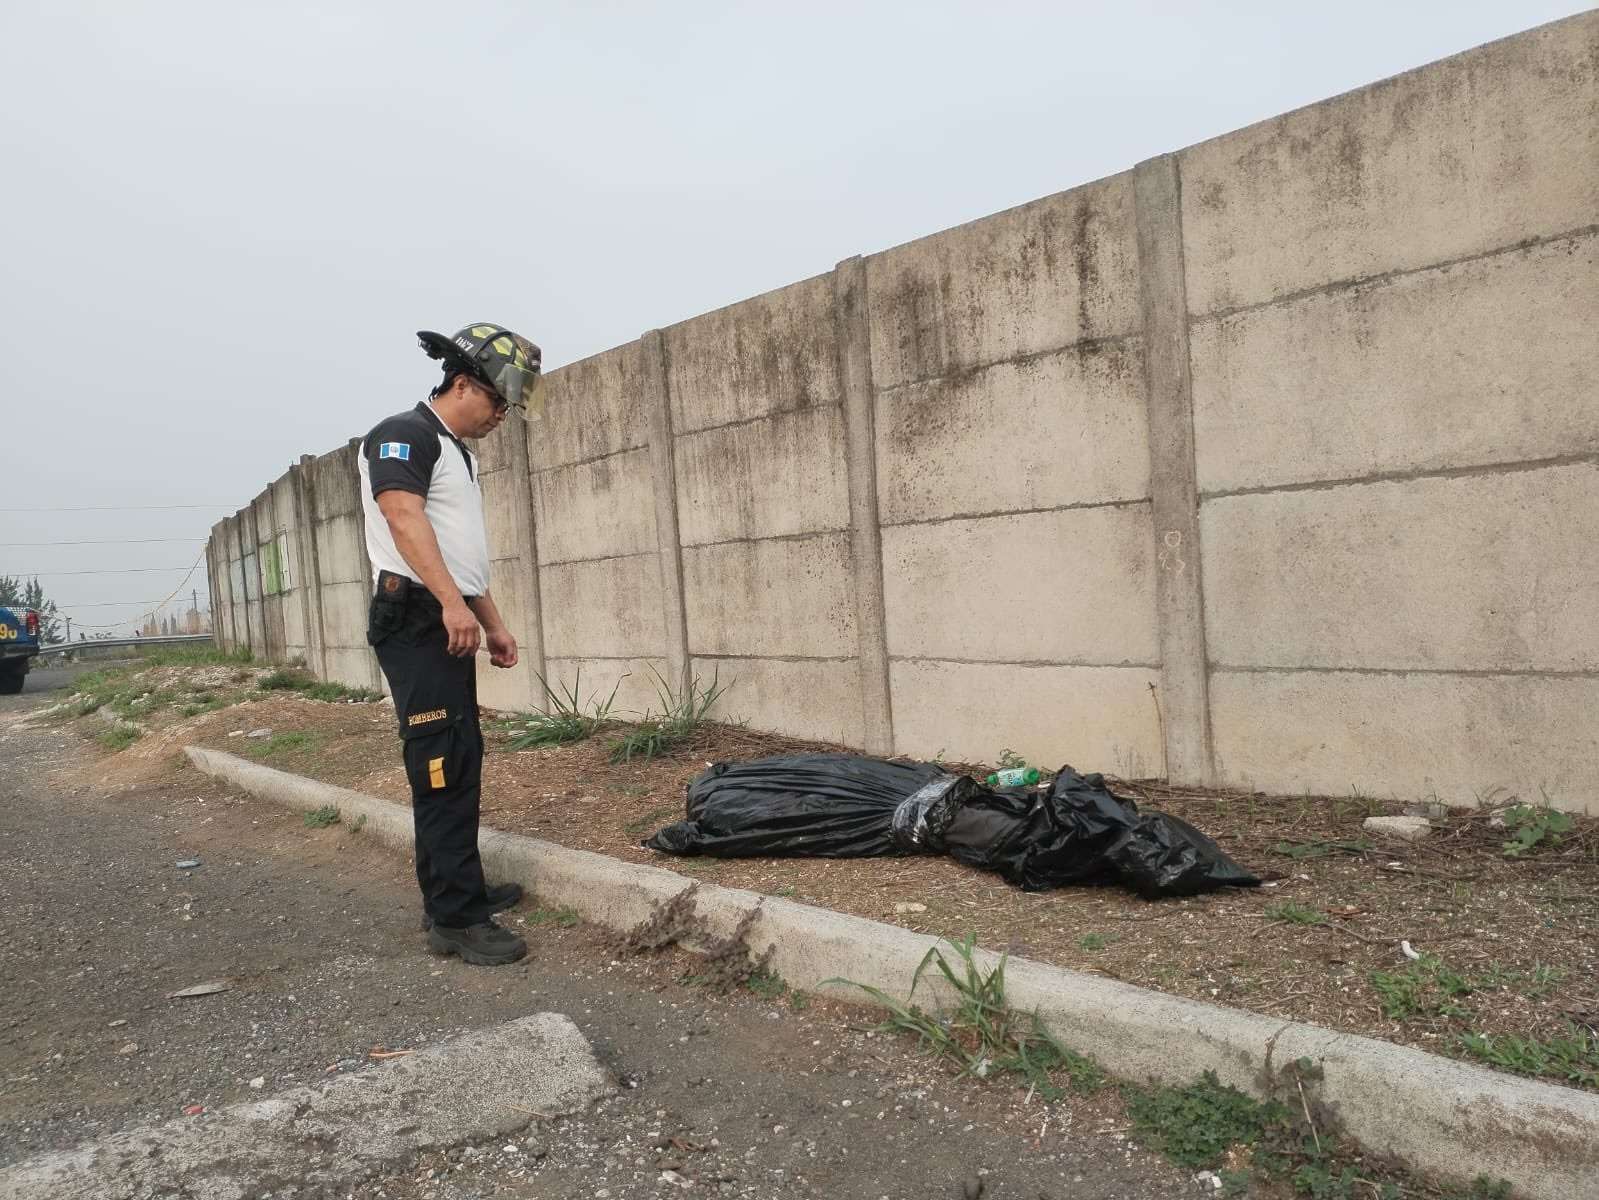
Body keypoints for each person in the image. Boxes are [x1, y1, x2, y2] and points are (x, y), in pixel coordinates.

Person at [358, 323, 546, 966]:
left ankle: (460, 885)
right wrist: (446, 606)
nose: (502, 417)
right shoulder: (401, 434)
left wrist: (488, 618)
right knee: (439, 763)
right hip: (414, 617)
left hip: (445, 613)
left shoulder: (456, 453)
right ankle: (454, 919)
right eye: (499, 402)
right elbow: (402, 520)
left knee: (458, 755)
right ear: (463, 384)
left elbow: (460, 557)